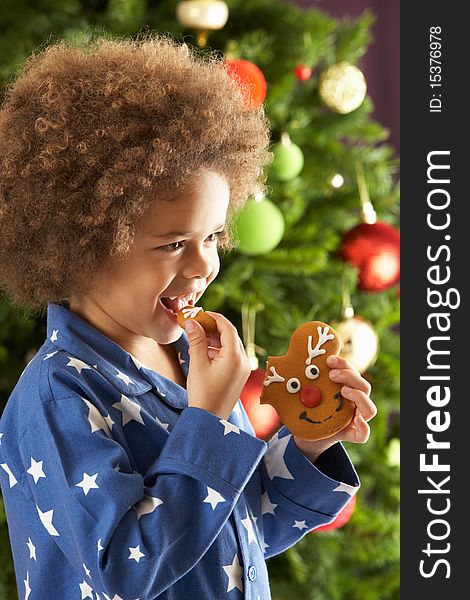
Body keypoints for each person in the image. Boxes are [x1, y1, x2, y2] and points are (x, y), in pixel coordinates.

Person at [0, 34, 376, 599]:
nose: (205, 265)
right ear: (81, 248)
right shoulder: (57, 396)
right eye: (173, 243)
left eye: (213, 237)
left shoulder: (192, 359)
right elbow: (126, 572)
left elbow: (233, 534)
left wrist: (309, 444)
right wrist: (208, 419)